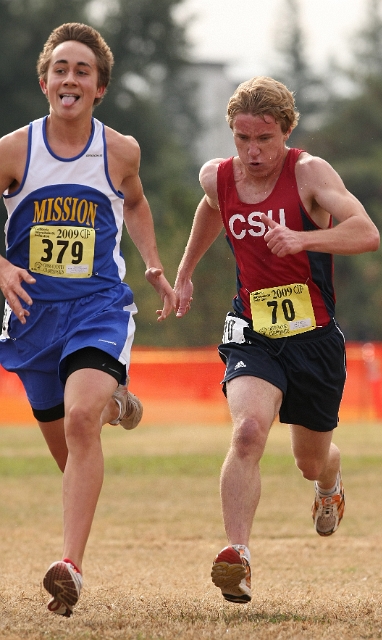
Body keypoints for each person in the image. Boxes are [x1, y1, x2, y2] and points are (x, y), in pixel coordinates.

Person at [174, 76, 380, 603]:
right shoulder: (216, 176)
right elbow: (212, 209)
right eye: (242, 139)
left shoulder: (309, 173)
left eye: (264, 138)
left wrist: (304, 237)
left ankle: (329, 484)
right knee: (247, 434)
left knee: (310, 460)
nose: (252, 151)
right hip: (252, 331)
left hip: (312, 338)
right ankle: (237, 557)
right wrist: (185, 274)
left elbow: (366, 232)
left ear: (286, 132)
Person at [0, 23, 176, 617]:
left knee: (80, 421)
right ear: (45, 79)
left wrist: (152, 263)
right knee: (70, 448)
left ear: (99, 87)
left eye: (82, 71)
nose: (69, 79)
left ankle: (69, 567)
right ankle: (116, 401)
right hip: (31, 318)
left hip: (98, 307)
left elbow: (136, 199)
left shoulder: (119, 150)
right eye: (61, 68)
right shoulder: (12, 151)